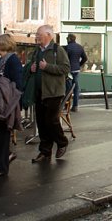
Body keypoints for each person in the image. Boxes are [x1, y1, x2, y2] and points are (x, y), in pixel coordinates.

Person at [29, 25, 70, 163]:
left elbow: (65, 68)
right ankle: (45, 151)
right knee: (41, 122)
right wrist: (32, 68)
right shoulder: (37, 51)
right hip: (40, 91)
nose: (37, 36)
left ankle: (62, 142)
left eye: (39, 34)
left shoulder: (58, 50)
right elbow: (32, 66)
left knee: (50, 120)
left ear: (48, 35)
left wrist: (47, 67)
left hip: (54, 92)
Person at [0, 34, 23, 178]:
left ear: (3, 45)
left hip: (4, 103)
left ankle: (1, 166)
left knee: (1, 134)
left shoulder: (12, 60)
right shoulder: (1, 60)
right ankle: (2, 160)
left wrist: (11, 101)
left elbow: (17, 83)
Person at [64, 34, 87, 112]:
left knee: (68, 89)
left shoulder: (67, 47)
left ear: (69, 39)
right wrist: (79, 64)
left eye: (67, 38)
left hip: (69, 70)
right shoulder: (80, 47)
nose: (67, 39)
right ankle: (75, 106)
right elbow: (85, 58)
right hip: (76, 70)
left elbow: (65, 59)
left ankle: (67, 106)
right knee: (76, 88)